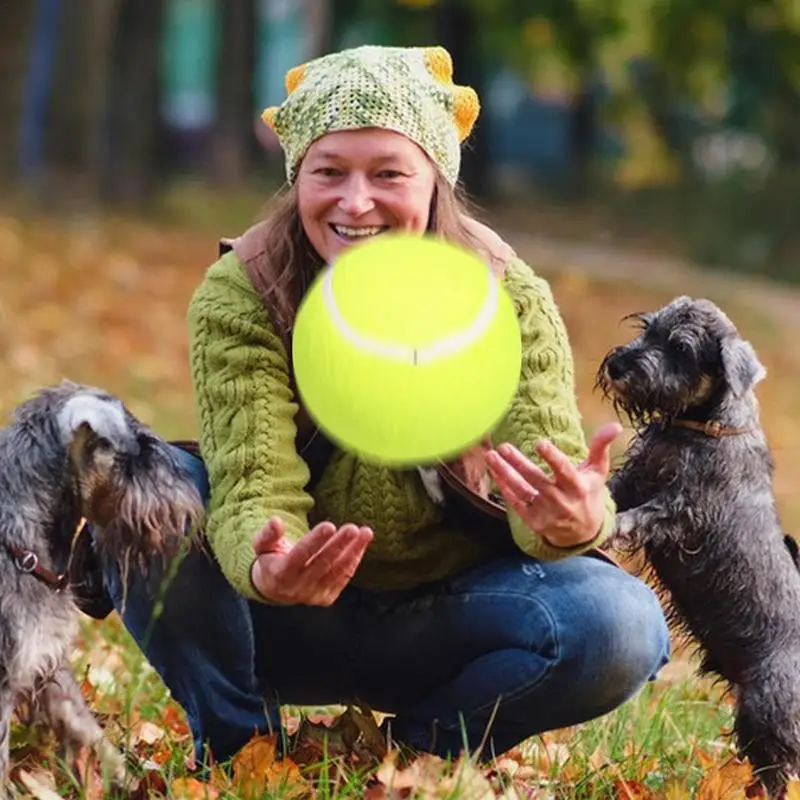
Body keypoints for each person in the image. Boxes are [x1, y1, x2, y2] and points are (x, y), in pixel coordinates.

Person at [91, 44, 670, 768]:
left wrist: (573, 520)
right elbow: (251, 484)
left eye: (388, 173)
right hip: (280, 618)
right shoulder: (245, 293)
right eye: (328, 172)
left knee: (620, 624)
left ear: (435, 180)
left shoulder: (506, 297)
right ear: (298, 176)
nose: (354, 202)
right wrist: (266, 562)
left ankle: (409, 758)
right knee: (138, 496)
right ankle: (245, 753)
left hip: (455, 618)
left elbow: (544, 490)